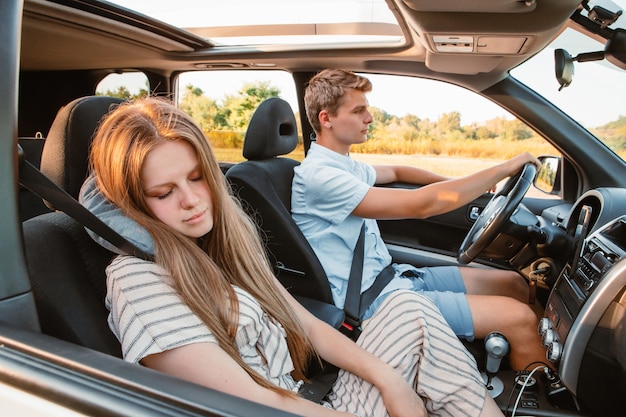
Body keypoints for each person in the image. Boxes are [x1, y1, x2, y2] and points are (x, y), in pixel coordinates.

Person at [80, 96, 504, 417]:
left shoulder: (214, 243)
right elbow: (252, 403)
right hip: (275, 409)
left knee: (408, 307)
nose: (192, 201)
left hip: (304, 394)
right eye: (163, 192)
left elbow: (298, 319)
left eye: (196, 178)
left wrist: (389, 381)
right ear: (132, 202)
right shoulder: (137, 279)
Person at [292, 69, 546, 371]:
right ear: (326, 119)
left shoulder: (347, 166)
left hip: (394, 277)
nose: (370, 118)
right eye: (359, 110)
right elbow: (422, 204)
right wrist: (501, 169)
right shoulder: (319, 176)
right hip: (374, 305)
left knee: (515, 284)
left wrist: (453, 180)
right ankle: (537, 397)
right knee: (520, 319)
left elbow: (399, 172)